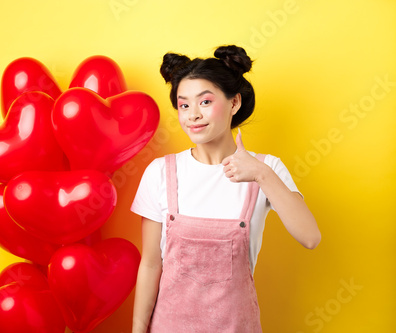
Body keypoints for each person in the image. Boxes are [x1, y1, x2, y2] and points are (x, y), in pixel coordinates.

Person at [130, 45, 321, 333]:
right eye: (184, 105)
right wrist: (138, 329)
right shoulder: (160, 172)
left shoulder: (266, 168)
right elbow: (150, 265)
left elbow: (310, 237)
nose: (193, 115)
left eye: (205, 102)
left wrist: (260, 174)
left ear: (234, 103)